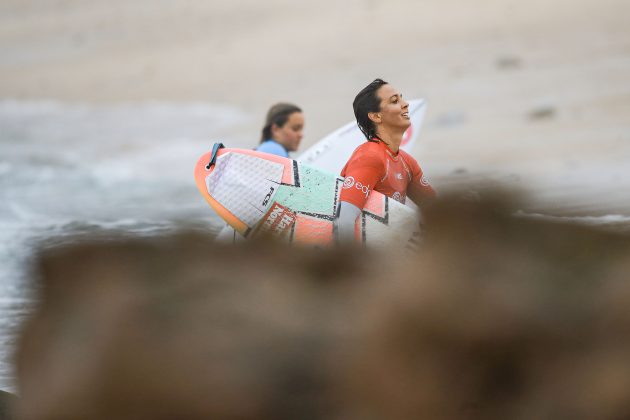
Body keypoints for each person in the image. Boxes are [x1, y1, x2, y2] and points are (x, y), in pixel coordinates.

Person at [336, 78, 436, 242]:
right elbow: (343, 220)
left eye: (402, 98)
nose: (405, 104)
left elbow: (436, 209)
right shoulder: (369, 157)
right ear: (376, 116)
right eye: (395, 101)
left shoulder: (407, 162)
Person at [215, 102, 305, 243]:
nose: (301, 135)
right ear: (275, 129)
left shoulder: (263, 150)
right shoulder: (274, 151)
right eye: (295, 128)